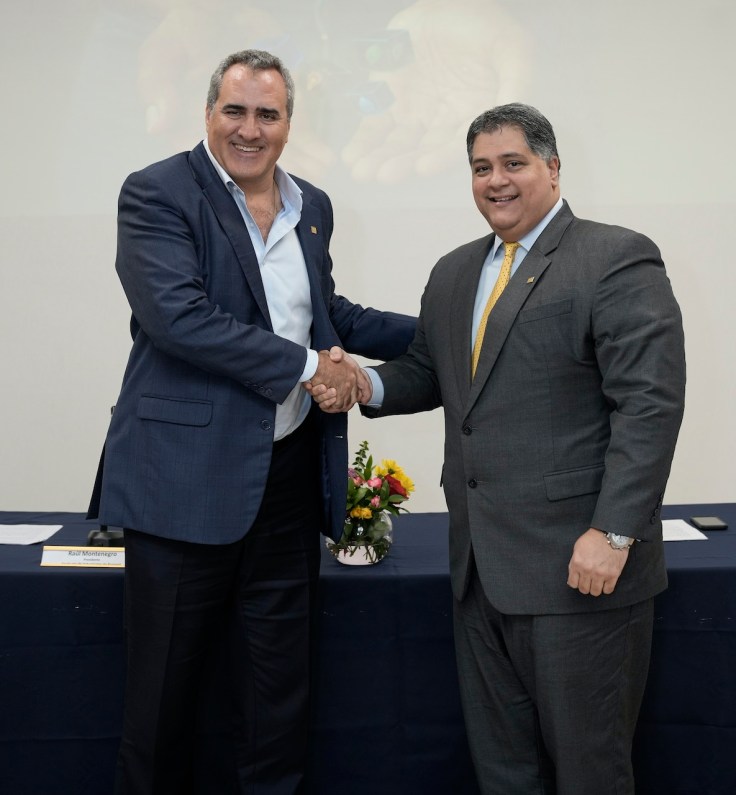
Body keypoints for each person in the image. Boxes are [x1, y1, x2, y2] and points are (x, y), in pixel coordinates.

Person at [309, 103, 686, 794]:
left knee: (591, 772)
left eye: (513, 163)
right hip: (479, 572)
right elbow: (432, 373)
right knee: (504, 774)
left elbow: (649, 406)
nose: (496, 180)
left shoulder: (615, 257)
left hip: (581, 571)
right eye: (482, 168)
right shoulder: (455, 271)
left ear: (553, 167)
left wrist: (614, 531)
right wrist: (362, 383)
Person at [87, 49, 415, 795]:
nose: (249, 129)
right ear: (208, 114)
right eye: (234, 110)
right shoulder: (158, 191)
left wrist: (448, 331)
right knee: (161, 706)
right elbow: (180, 318)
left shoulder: (312, 206)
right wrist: (310, 367)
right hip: (182, 487)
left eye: (267, 114)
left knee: (278, 700)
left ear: (289, 124)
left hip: (287, 482)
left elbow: (326, 312)